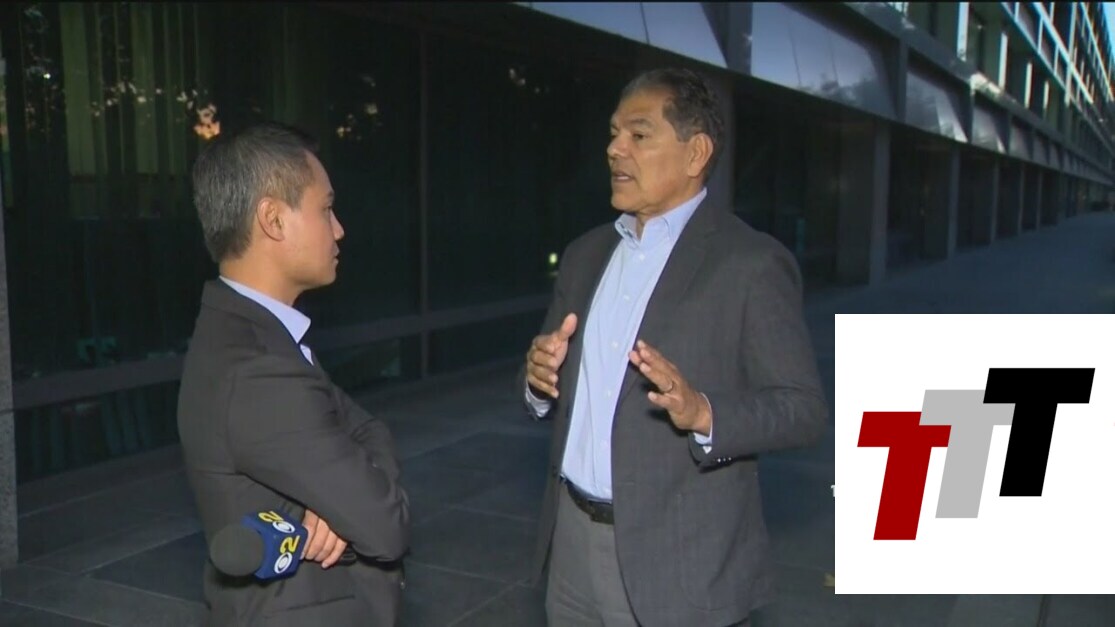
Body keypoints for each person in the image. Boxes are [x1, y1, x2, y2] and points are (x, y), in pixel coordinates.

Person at [522, 68, 827, 627]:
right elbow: (550, 375)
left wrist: (705, 413)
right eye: (614, 133)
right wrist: (538, 380)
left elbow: (802, 409)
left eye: (639, 134)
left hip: (678, 566)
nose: (615, 148)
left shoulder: (750, 264)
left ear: (696, 153)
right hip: (569, 548)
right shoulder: (585, 255)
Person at [178, 122, 408, 626]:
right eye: (326, 209)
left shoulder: (252, 335)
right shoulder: (259, 370)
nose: (339, 229)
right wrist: (355, 507)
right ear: (274, 220)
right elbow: (386, 524)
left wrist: (344, 505)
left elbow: (370, 429)